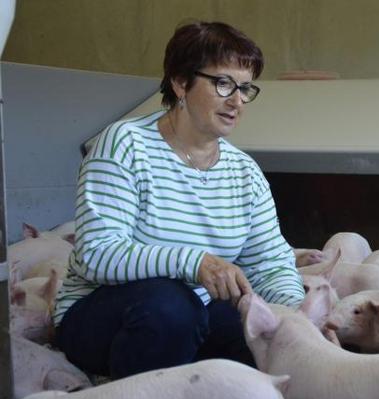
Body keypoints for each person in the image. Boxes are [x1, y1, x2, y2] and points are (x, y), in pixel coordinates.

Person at [53, 21, 305, 379]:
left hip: (194, 312)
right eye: (223, 84)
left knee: (260, 336)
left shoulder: (244, 172)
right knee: (169, 305)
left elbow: (269, 263)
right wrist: (194, 261)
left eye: (245, 88)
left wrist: (297, 314)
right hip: (105, 314)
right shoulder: (125, 144)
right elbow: (97, 253)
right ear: (181, 82)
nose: (237, 101)